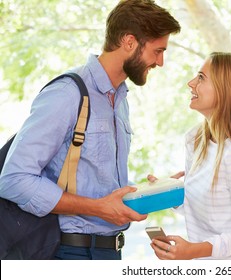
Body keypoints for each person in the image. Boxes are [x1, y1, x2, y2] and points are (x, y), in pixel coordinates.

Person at [0, 0, 180, 260]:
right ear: (129, 42)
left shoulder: (119, 100)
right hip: (68, 253)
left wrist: (147, 193)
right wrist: (98, 209)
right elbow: (13, 179)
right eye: (157, 50)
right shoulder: (67, 94)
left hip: (109, 251)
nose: (161, 62)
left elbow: (96, 182)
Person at [150, 52, 231, 260]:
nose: (191, 83)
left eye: (202, 77)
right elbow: (200, 211)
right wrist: (168, 192)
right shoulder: (195, 140)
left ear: (226, 90)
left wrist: (193, 250)